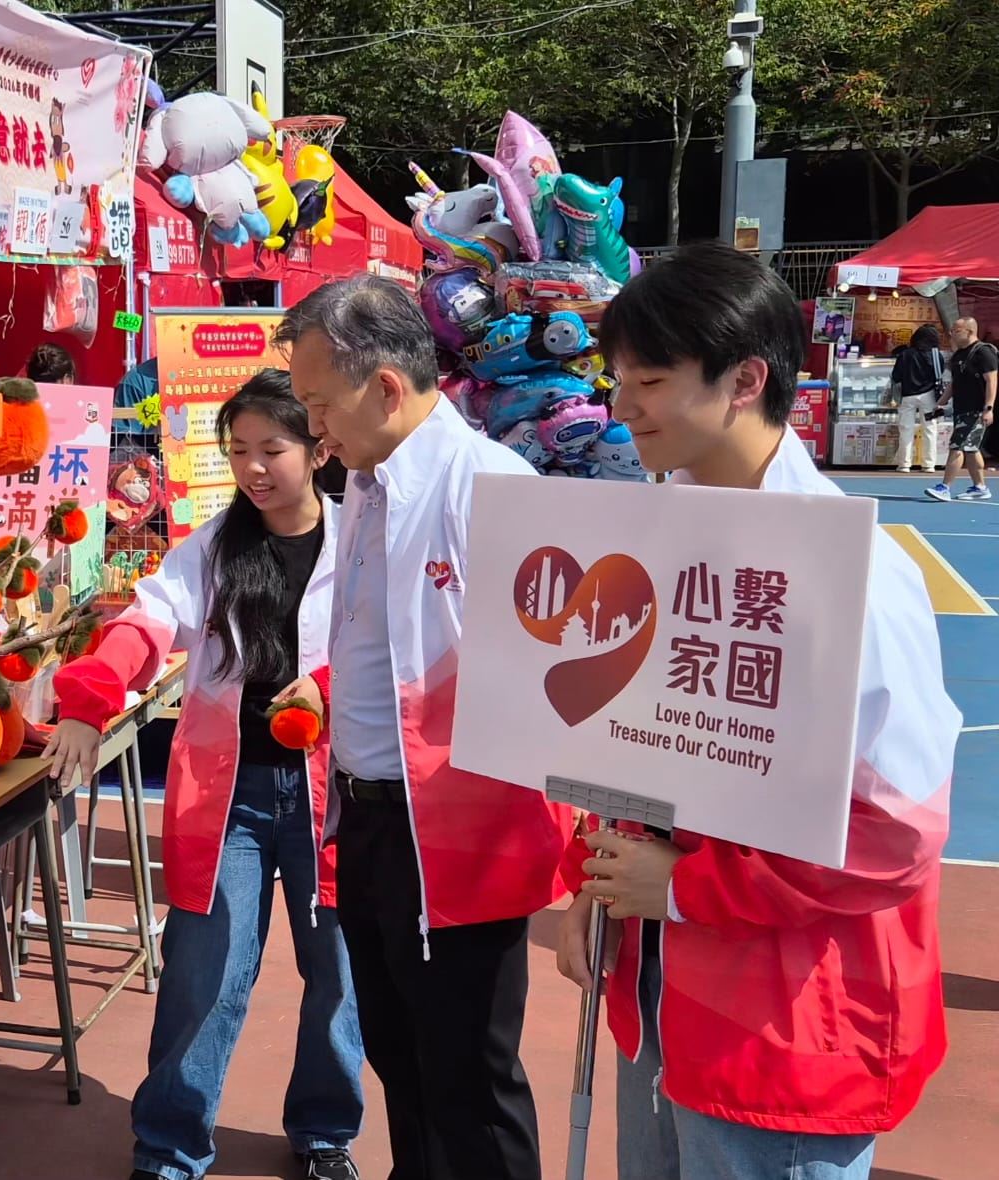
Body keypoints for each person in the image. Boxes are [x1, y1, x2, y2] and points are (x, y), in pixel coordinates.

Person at [558, 242, 957, 1180]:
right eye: (618, 380)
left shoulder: (852, 577)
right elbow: (633, 744)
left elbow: (895, 833)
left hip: (788, 1030)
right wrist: (598, 878)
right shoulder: (657, 541)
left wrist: (685, 890)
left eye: (650, 381)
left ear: (745, 380)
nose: (621, 408)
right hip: (662, 998)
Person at [279, 275, 567, 1180]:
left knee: (471, 1080)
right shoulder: (366, 484)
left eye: (320, 404)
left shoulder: (490, 486)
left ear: (385, 388)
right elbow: (383, 642)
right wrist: (329, 688)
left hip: (454, 831)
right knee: (400, 1059)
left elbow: (557, 675)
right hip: (367, 819)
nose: (313, 429)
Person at [46, 370, 365, 1180]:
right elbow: (146, 621)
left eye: (272, 449)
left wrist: (326, 690)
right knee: (206, 972)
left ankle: (325, 1132)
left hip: (338, 794)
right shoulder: (215, 548)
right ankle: (170, 1146)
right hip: (234, 797)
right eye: (239, 450)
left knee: (340, 971)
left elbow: (398, 651)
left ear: (318, 449)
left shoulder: (364, 542)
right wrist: (88, 700)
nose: (254, 468)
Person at [928, 317, 999, 501]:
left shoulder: (984, 352)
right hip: (961, 408)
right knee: (971, 448)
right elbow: (955, 383)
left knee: (957, 446)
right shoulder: (959, 355)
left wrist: (989, 407)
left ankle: (945, 487)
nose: (952, 334)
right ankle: (980, 486)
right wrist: (941, 402)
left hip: (976, 409)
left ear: (969, 331)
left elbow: (991, 381)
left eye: (956, 330)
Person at [889, 324, 946, 472]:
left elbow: (896, 376)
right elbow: (940, 374)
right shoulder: (936, 355)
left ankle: (904, 464)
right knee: (930, 429)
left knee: (906, 429)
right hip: (929, 397)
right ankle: (929, 464)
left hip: (908, 396)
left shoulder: (905, 354)